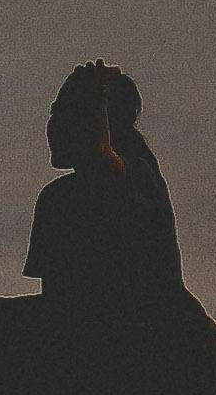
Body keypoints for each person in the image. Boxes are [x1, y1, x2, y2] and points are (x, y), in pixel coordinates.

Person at [24, 61, 188, 314]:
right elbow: (56, 304)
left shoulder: (139, 178)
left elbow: (100, 160)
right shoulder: (55, 199)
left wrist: (95, 95)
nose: (54, 126)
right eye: (54, 113)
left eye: (69, 114)